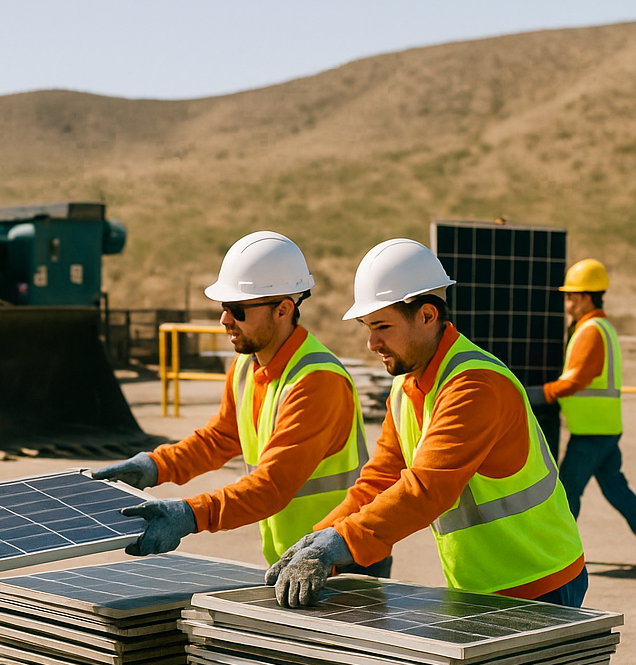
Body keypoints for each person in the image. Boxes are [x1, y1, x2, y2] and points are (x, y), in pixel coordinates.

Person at [268, 237, 586, 609]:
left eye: (382, 326)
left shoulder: (474, 385)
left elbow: (427, 489)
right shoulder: (406, 386)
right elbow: (380, 479)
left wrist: (340, 543)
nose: (371, 343)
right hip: (479, 584)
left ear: (427, 315)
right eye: (367, 327)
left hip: (539, 581)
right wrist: (319, 538)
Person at [93, 230, 386, 573]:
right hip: (296, 559)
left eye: (237, 309)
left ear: (283, 309)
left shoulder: (317, 381)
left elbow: (272, 486)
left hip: (341, 559)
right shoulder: (247, 366)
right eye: (224, 307)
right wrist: (154, 465)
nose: (224, 319)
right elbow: (220, 438)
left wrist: (191, 514)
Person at [528, 258, 636, 533]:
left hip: (591, 434)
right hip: (603, 429)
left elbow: (574, 382)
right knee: (618, 492)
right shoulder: (601, 327)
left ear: (588, 298)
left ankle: (557, 551)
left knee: (566, 494)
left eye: (572, 298)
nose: (567, 305)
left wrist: (533, 395)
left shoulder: (590, 332)